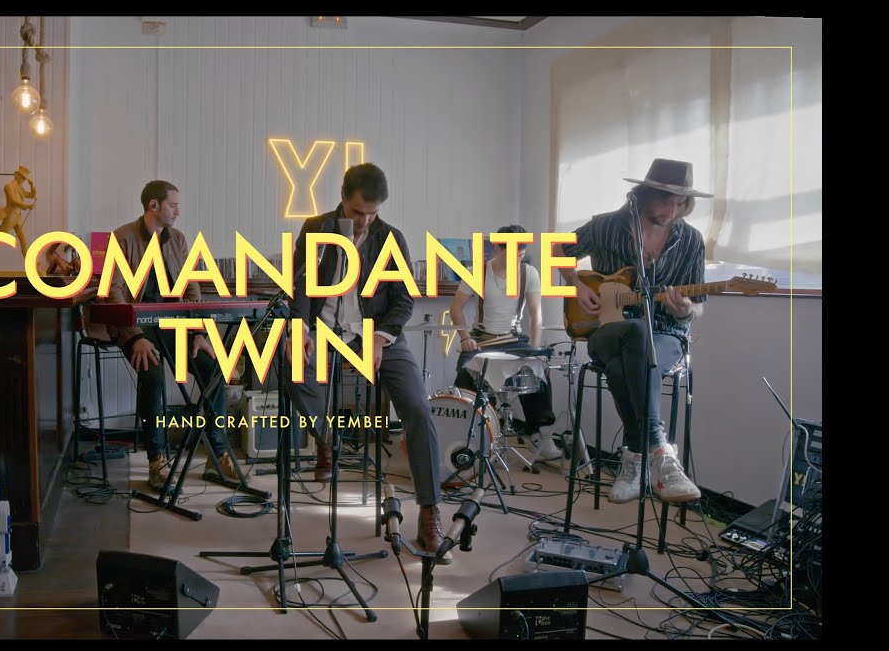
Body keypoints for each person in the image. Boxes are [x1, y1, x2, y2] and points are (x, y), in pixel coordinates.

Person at [285, 163, 450, 560]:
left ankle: (430, 511)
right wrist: (298, 328)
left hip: (378, 335)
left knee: (417, 408)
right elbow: (301, 285)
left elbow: (404, 301)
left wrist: (379, 338)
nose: (365, 221)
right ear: (343, 199)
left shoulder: (392, 238)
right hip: (324, 329)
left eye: (373, 214)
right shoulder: (316, 228)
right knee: (290, 367)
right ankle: (328, 438)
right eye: (358, 212)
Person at [551, 158, 708, 504]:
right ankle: (661, 452)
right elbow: (556, 247)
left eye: (681, 203)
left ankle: (634, 459)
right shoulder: (605, 226)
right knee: (635, 331)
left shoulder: (691, 240)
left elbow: (698, 307)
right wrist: (576, 284)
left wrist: (685, 309)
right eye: (665, 200)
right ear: (644, 193)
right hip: (604, 331)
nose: (672, 211)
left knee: (626, 362)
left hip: (666, 335)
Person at [106, 180, 238, 490]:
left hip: (174, 325)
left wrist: (198, 332)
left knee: (212, 369)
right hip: (138, 327)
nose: (178, 211)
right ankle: (157, 461)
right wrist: (136, 336)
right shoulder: (122, 237)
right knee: (152, 374)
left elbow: (191, 288)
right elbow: (114, 291)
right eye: (173, 205)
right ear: (154, 205)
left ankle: (217, 454)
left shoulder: (177, 239)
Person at [448, 224, 558, 460]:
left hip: (513, 339)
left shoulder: (528, 273)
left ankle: (539, 435)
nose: (517, 259)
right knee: (464, 373)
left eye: (521, 254)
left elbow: (535, 314)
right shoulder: (477, 271)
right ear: (498, 248)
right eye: (512, 254)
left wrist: (536, 350)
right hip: (482, 338)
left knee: (539, 372)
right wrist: (465, 338)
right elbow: (456, 308)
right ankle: (468, 436)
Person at [0, 165, 37, 272]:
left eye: (25, 179)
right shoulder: (8, 187)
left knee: (24, 240)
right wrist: (27, 206)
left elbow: (31, 196)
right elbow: (13, 201)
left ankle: (30, 264)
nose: (23, 180)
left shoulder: (20, 188)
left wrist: (32, 186)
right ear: (16, 175)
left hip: (18, 217)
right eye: (22, 178)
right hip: (10, 216)